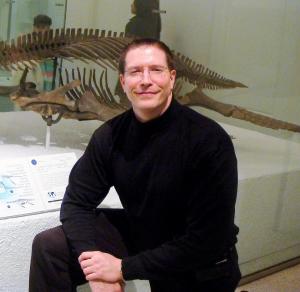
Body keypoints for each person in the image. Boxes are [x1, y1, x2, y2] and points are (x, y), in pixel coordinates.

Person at [29, 38, 241, 292]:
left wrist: (121, 268)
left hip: (198, 258)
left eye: (156, 70)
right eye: (135, 72)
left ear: (172, 78)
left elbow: (207, 240)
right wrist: (94, 266)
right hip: (145, 231)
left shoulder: (208, 140)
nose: (145, 80)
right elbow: (77, 202)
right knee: (50, 246)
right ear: (123, 82)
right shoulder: (110, 135)